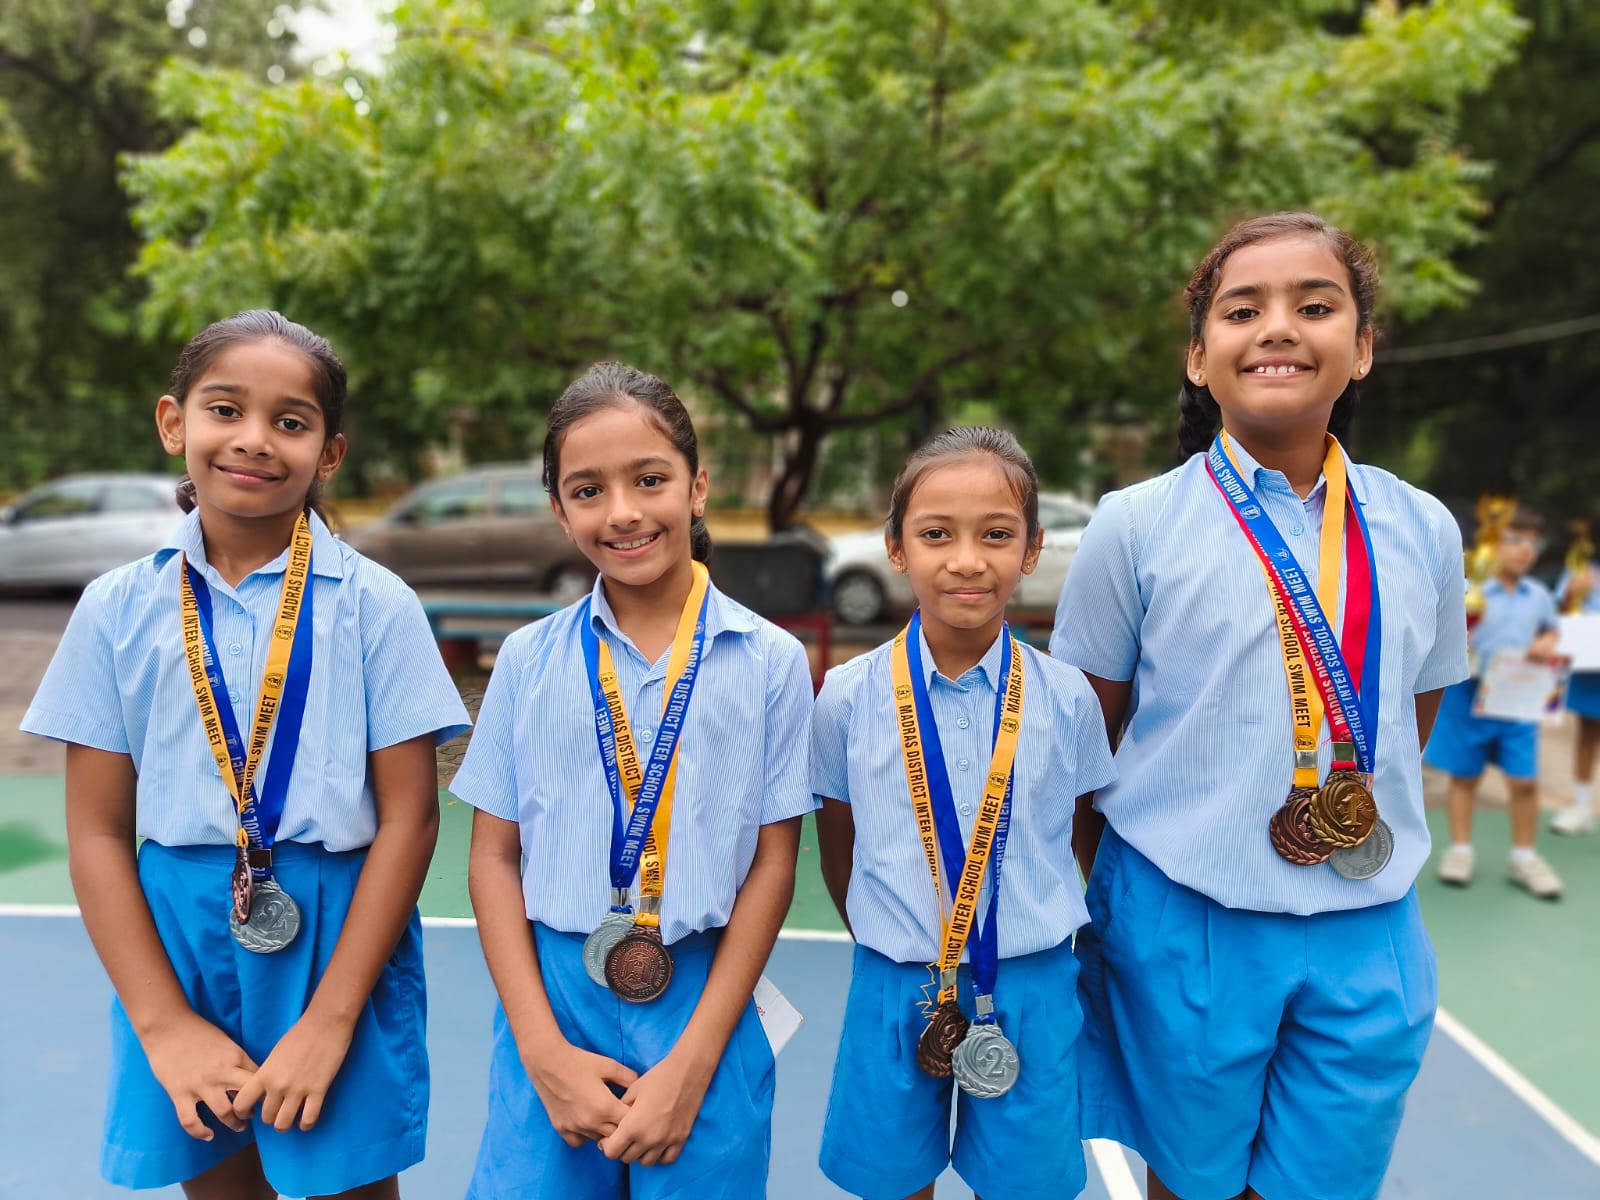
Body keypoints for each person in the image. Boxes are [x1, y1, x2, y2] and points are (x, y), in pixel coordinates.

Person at [1052, 212, 1468, 1200]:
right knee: (1190, 1185)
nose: (1277, 327)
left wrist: (1339, 806)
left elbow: (1410, 719)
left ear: (1360, 350)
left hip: (1365, 924)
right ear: (1200, 359)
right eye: (1244, 310)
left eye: (1314, 306)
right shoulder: (1134, 525)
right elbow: (1086, 739)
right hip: (1181, 919)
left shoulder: (1422, 526)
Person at [20, 310, 470, 1198]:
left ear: (329, 453)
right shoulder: (117, 607)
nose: (254, 441)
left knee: (347, 1183)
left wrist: (332, 1019)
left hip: (339, 934)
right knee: (219, 1183)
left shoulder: (376, 606)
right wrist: (162, 1026)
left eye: (291, 422)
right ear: (173, 422)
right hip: (179, 935)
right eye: (226, 410)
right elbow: (99, 834)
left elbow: (411, 819)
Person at [450, 361, 813, 1199]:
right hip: (553, 1003)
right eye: (587, 489)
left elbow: (772, 866)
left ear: (697, 486)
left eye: (649, 479)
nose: (622, 512)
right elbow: (492, 859)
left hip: (703, 1008)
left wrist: (692, 1066)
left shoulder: (769, 663)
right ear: (559, 508)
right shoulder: (528, 660)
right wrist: (541, 1052)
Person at [812, 427, 1116, 1200]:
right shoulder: (848, 697)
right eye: (936, 533)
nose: (968, 559)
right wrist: (903, 936)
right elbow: (837, 846)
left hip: (1033, 981)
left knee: (1023, 1186)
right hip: (895, 979)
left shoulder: (1067, 698)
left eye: (997, 534)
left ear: (1033, 548)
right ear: (896, 547)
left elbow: (1081, 833)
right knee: (891, 1183)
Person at [1426, 507, 1564, 894]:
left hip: (1518, 701)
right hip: (1468, 700)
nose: (1525, 550)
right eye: (1514, 539)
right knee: (1465, 778)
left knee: (1524, 782)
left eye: (1533, 542)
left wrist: (1547, 642)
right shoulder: (1469, 588)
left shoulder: (1538, 596)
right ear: (1491, 543)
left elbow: (1552, 631)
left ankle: (1524, 856)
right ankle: (1460, 849)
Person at [1552, 547, 1600, 835]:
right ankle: (1581, 806)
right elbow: (1557, 612)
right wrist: (1572, 592)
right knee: (1587, 733)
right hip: (1590, 663)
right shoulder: (1580, 566)